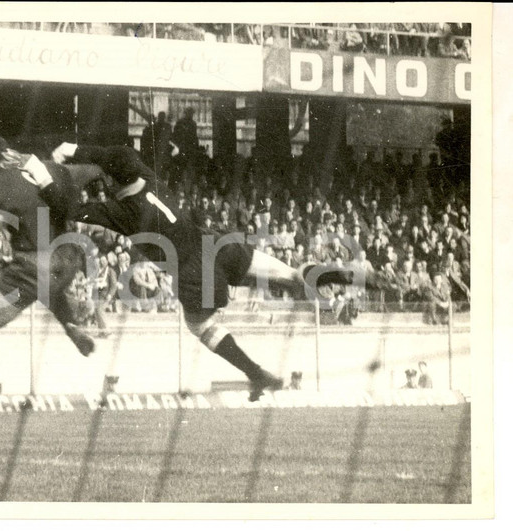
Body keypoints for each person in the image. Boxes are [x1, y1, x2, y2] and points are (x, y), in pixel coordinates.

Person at [46, 142, 358, 401]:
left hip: (193, 269)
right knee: (291, 274)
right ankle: (349, 275)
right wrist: (73, 149)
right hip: (216, 242)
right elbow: (112, 157)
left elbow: (71, 209)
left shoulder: (124, 211)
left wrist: (50, 174)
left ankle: (255, 373)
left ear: (112, 180)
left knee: (200, 326)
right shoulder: (148, 177)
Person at [0, 132, 103, 433]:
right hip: (69, 258)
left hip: (32, 266)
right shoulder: (42, 166)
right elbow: (88, 170)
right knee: (44, 282)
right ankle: (72, 326)